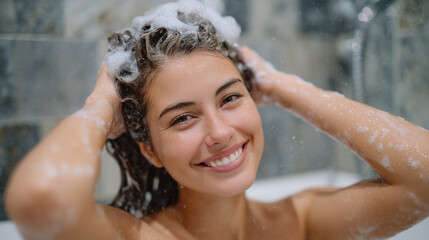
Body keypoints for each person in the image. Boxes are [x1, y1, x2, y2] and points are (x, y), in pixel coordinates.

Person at [5, 0, 429, 239]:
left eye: (229, 98)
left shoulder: (300, 223)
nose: (221, 133)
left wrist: (283, 86)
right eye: (183, 118)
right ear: (149, 147)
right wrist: (99, 106)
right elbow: (40, 201)